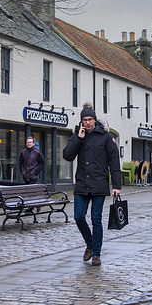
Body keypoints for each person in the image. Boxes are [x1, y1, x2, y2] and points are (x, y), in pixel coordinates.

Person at [63, 103, 121, 266]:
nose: (87, 122)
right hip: (82, 183)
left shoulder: (105, 137)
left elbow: (114, 161)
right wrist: (78, 138)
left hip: (99, 184)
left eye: (90, 119)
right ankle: (89, 244)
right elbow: (67, 155)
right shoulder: (77, 135)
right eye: (84, 120)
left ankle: (96, 254)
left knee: (96, 218)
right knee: (79, 217)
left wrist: (116, 185)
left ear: (95, 120)